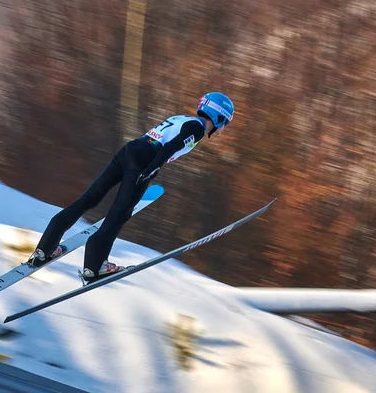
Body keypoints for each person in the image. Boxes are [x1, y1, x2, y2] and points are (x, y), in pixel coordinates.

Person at [28, 92, 235, 282]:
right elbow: (172, 146)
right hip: (144, 161)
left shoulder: (182, 118)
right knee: (120, 213)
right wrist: (153, 169)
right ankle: (95, 266)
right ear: (218, 116)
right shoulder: (198, 128)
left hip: (130, 150)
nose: (224, 128)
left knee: (89, 198)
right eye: (225, 122)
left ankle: (44, 248)